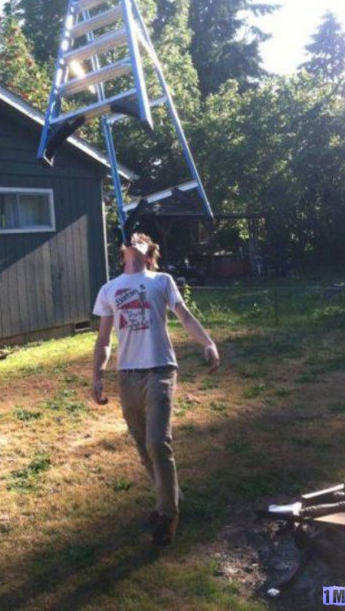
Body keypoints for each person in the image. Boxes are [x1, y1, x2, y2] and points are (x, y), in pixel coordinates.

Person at [92, 232, 220, 546]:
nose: (134, 241)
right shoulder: (109, 289)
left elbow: (185, 316)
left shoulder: (161, 281)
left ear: (149, 255)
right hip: (127, 375)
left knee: (157, 442)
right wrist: (97, 374)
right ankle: (170, 495)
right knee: (143, 446)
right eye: (131, 240)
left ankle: (167, 515)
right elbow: (104, 339)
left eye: (141, 240)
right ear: (122, 253)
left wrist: (208, 343)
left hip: (160, 370)